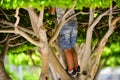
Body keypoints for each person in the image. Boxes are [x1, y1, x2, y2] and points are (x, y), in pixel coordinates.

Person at [51, 7, 80, 77]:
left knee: (67, 49)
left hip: (65, 24)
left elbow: (52, 12)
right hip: (74, 23)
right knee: (72, 46)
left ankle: (71, 70)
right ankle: (76, 67)